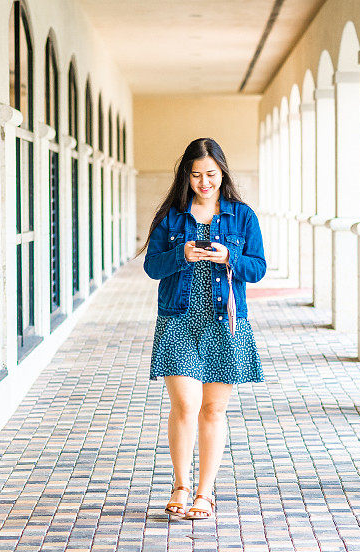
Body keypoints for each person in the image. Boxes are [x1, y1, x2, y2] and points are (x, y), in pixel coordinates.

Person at [138, 137, 266, 521]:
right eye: (196, 175)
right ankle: (179, 484)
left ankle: (205, 493)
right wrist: (180, 254)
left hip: (224, 323)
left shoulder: (242, 217)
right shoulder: (172, 218)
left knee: (213, 409)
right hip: (178, 320)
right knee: (185, 405)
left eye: (211, 174)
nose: (204, 182)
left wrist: (231, 256)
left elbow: (257, 268)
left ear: (222, 172)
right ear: (186, 176)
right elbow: (152, 268)